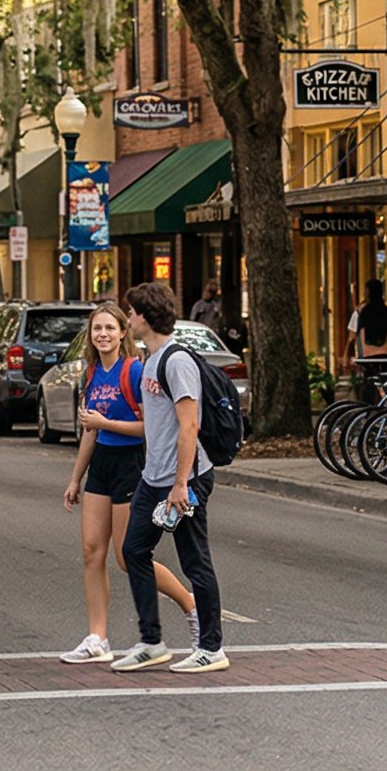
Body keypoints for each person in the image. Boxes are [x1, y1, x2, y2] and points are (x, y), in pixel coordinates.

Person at [59, 302, 193, 663]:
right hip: (101, 465)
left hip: (131, 464)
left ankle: (190, 603)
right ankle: (97, 638)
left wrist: (105, 423)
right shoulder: (92, 373)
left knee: (126, 555)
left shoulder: (134, 371)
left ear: (122, 332)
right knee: (91, 553)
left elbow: (148, 427)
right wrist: (76, 478)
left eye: (109, 328)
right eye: (96, 329)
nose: (102, 334)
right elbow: (90, 429)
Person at [111, 281, 225, 674]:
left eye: (130, 313)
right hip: (153, 476)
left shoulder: (176, 361)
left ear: (145, 317)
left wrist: (181, 484)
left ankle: (211, 647)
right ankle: (151, 641)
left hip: (185, 478)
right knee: (132, 551)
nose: (127, 319)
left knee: (196, 563)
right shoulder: (150, 360)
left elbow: (189, 426)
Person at [345, 280, 387, 404]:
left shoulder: (360, 311)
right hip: (384, 355)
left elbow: (351, 336)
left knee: (368, 383)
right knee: (384, 384)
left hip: (366, 356)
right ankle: (384, 407)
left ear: (367, 293)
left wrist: (346, 354)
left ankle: (367, 410)